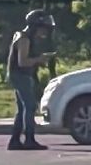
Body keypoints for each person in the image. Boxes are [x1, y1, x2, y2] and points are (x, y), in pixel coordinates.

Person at [7, 9, 55, 151]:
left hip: (18, 75)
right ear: (35, 26)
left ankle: (15, 140)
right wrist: (39, 59)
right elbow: (23, 62)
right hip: (21, 75)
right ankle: (29, 139)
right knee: (30, 106)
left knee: (22, 108)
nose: (44, 32)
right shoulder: (24, 39)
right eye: (43, 28)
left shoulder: (21, 35)